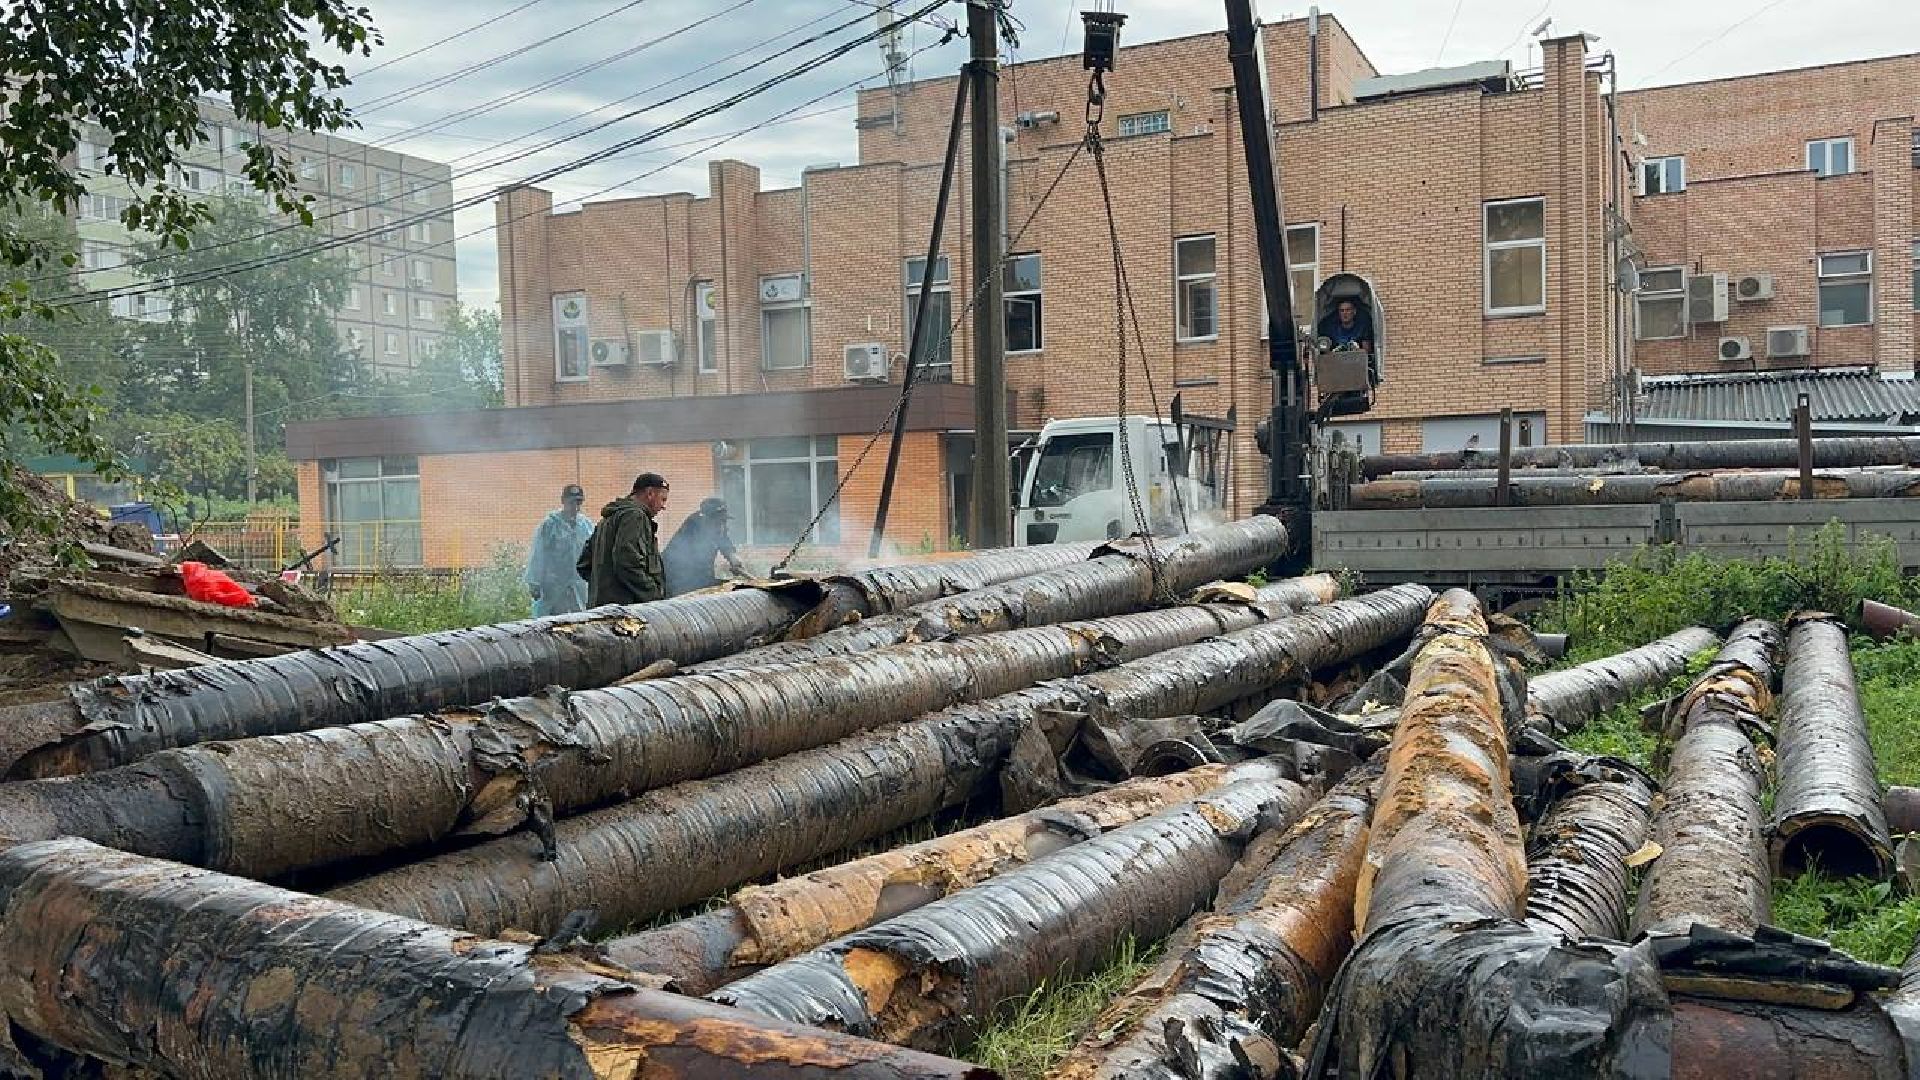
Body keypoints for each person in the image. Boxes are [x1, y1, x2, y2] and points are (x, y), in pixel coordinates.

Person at [577, 472, 669, 606]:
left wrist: (604, 588)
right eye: (663, 499)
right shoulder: (634, 516)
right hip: (626, 614)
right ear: (650, 494)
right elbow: (627, 562)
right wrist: (654, 598)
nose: (663, 506)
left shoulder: (608, 519)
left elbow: (584, 564)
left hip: (600, 610)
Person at [522, 484, 595, 616]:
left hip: (579, 584)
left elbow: (594, 552)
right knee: (550, 622)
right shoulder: (550, 525)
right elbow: (538, 553)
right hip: (553, 585)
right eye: (572, 502)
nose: (576, 507)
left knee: (581, 619)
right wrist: (534, 583)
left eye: (579, 503)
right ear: (563, 501)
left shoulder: (586, 526)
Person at [663, 497, 747, 596]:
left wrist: (732, 556)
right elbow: (697, 569)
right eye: (719, 522)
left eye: (724, 521)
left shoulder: (717, 528)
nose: (723, 526)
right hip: (678, 580)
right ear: (706, 519)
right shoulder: (694, 526)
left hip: (700, 578)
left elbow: (723, 539)